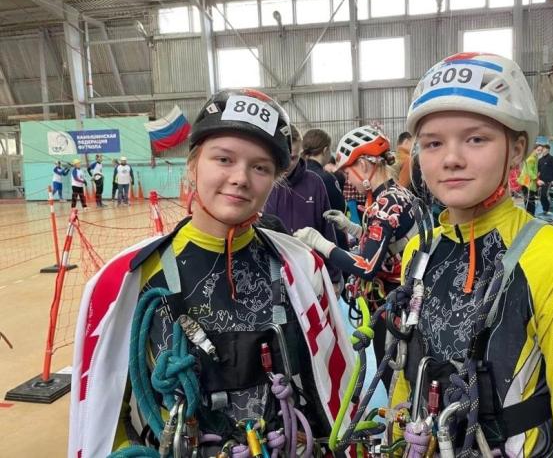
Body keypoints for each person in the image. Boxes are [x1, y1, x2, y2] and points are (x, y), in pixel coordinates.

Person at [68, 89, 355, 458]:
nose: (240, 178)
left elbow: (331, 390)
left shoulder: (301, 268)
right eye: (223, 159)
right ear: (193, 165)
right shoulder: (127, 280)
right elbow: (105, 412)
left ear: (274, 180)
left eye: (260, 167)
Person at [392, 52, 553, 457]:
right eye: (433, 143)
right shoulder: (420, 251)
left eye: (476, 139)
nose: (451, 159)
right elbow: (405, 373)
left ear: (516, 149)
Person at [294, 125, 417, 390]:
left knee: (393, 376)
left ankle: (398, 416)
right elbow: (387, 243)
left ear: (363, 165)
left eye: (348, 172)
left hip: (393, 306)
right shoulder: (396, 194)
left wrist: (320, 243)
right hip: (400, 301)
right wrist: (352, 228)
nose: (348, 180)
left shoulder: (385, 204)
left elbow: (368, 266)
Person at [264, 125, 342, 286]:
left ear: (301, 153)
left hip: (310, 274)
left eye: (293, 158)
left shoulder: (315, 183)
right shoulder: (263, 183)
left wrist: (334, 278)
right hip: (272, 274)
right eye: (283, 156)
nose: (286, 164)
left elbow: (327, 230)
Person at [302, 128, 348, 252]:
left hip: (301, 242)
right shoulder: (327, 178)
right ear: (325, 150)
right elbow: (340, 209)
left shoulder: (296, 176)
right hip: (326, 243)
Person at [537, 143, 553, 215]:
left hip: (549, 181)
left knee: (546, 195)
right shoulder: (540, 160)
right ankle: (545, 209)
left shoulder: (552, 159)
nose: (543, 150)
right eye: (542, 149)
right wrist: (537, 180)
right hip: (541, 181)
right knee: (541, 196)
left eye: (545, 149)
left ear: (548, 150)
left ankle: (551, 209)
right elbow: (538, 171)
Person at [517, 143, 539, 215]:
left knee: (528, 199)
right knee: (530, 199)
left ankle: (529, 213)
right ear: (534, 150)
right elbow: (529, 171)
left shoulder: (533, 157)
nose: (540, 152)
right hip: (528, 181)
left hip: (526, 181)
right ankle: (530, 214)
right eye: (538, 150)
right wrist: (537, 179)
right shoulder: (531, 158)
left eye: (541, 150)